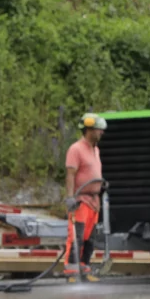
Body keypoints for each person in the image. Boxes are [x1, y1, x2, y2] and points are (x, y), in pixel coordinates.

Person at [64, 113, 107, 283]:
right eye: (99, 129)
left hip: (94, 201)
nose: (102, 132)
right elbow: (70, 174)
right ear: (89, 130)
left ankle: (84, 268)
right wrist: (70, 197)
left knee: (90, 238)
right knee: (77, 236)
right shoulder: (76, 149)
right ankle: (71, 272)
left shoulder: (96, 149)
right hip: (81, 201)